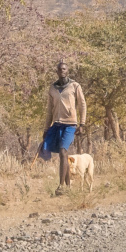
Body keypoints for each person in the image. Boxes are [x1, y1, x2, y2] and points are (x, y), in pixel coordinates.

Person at [43, 61, 86, 195]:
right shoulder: (52, 88)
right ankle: (68, 187)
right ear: (57, 72)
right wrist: (46, 128)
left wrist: (82, 124)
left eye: (64, 69)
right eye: (59, 69)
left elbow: (82, 105)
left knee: (63, 151)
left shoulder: (75, 86)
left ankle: (60, 186)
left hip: (70, 124)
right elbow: (49, 110)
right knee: (63, 155)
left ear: (67, 71)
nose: (62, 71)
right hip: (56, 124)